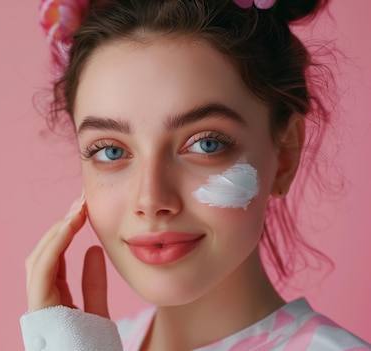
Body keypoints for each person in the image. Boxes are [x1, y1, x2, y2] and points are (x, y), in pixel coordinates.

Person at [21, 0, 371, 350]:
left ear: (284, 156)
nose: (151, 200)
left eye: (205, 144)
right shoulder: (89, 343)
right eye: (110, 151)